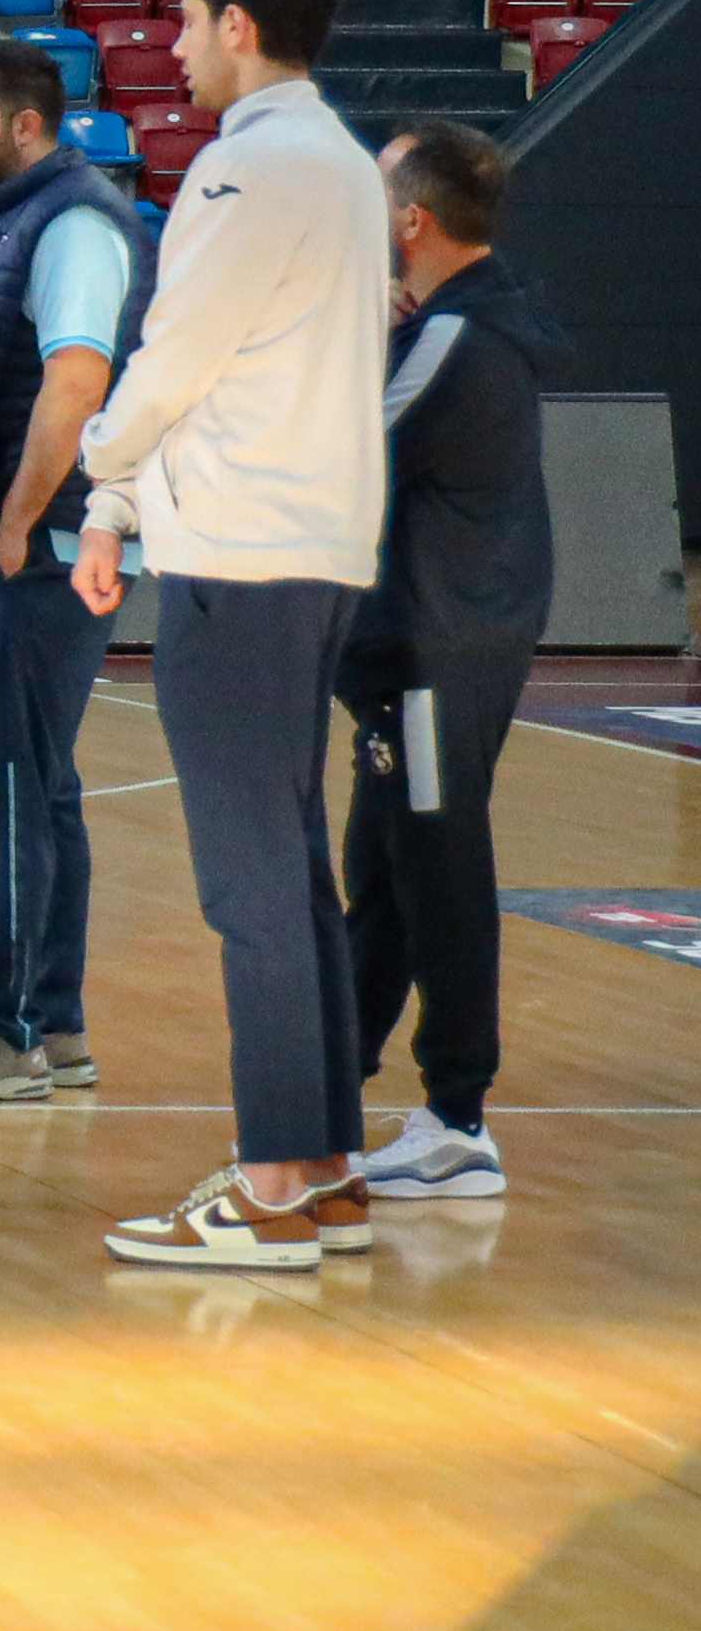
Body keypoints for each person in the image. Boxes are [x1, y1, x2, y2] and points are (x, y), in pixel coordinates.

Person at [74, 0, 392, 1274]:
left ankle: (267, 1184)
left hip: (240, 561)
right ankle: (321, 1164)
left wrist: (98, 473)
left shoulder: (242, 166)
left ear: (237, 27)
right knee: (294, 870)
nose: (175, 43)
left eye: (187, 19)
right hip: (318, 552)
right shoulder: (347, 164)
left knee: (248, 884)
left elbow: (171, 358)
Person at [0, 39, 150, 1105]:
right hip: (30, 541)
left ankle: (9, 1027)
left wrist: (15, 522)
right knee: (39, 783)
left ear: (27, 124)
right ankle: (53, 1024)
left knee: (4, 779)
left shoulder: (72, 223)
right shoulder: (17, 218)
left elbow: (76, 381)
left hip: (42, 547)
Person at [341, 121, 552, 1206]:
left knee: (436, 867)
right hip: (432, 637)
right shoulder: (459, 320)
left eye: (375, 191)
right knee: (382, 870)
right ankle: (329, 1091)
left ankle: (458, 1118)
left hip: (437, 641)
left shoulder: (457, 338)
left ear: (412, 222)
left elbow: (343, 447)